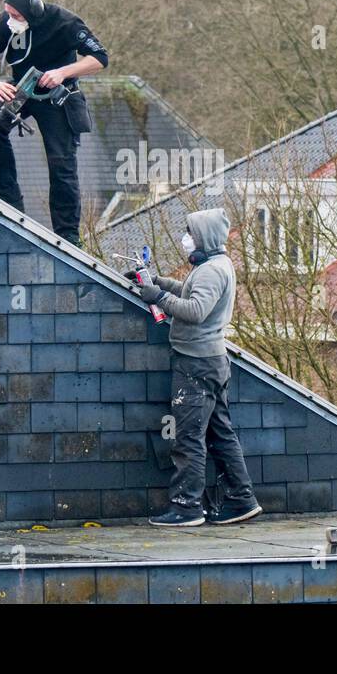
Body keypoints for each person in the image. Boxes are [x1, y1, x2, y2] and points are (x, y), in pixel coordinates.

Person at [132, 208, 263, 527]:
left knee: (189, 436)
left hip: (196, 364)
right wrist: (160, 282)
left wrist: (158, 296)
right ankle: (241, 499)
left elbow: (195, 310)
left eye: (190, 232)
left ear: (204, 236)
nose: (186, 238)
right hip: (213, 362)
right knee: (220, 432)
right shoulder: (218, 265)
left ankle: (186, 507)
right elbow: (191, 292)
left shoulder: (209, 271)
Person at [0, 0, 108, 246]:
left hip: (57, 95)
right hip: (21, 89)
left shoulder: (65, 22)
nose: (11, 20)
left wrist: (62, 72)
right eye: (8, 14)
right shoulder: (4, 24)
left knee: (61, 162)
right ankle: (8, 205)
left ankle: (68, 235)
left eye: (16, 15)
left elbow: (99, 58)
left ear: (33, 11)